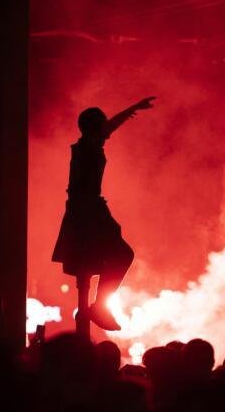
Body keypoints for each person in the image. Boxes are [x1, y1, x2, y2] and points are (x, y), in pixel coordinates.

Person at [52, 97, 156, 331]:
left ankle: (99, 304)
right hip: (87, 212)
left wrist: (133, 108)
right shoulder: (88, 147)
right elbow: (107, 129)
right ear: (94, 129)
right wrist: (133, 108)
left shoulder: (87, 145)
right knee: (121, 254)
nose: (107, 131)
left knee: (116, 256)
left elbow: (108, 128)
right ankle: (99, 305)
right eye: (103, 126)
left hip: (87, 210)